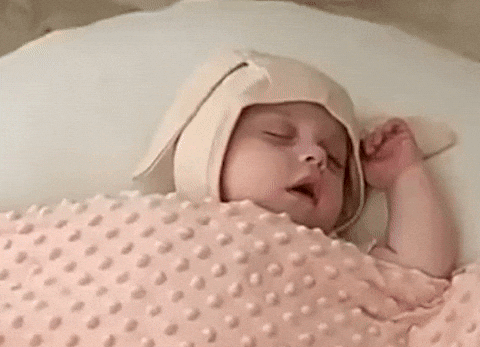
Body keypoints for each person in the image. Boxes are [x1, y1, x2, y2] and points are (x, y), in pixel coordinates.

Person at [133, 49, 458, 278]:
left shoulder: (335, 256)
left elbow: (421, 274)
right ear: (208, 149)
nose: (317, 156)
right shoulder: (153, 225)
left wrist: (404, 174)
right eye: (278, 135)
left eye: (335, 160)